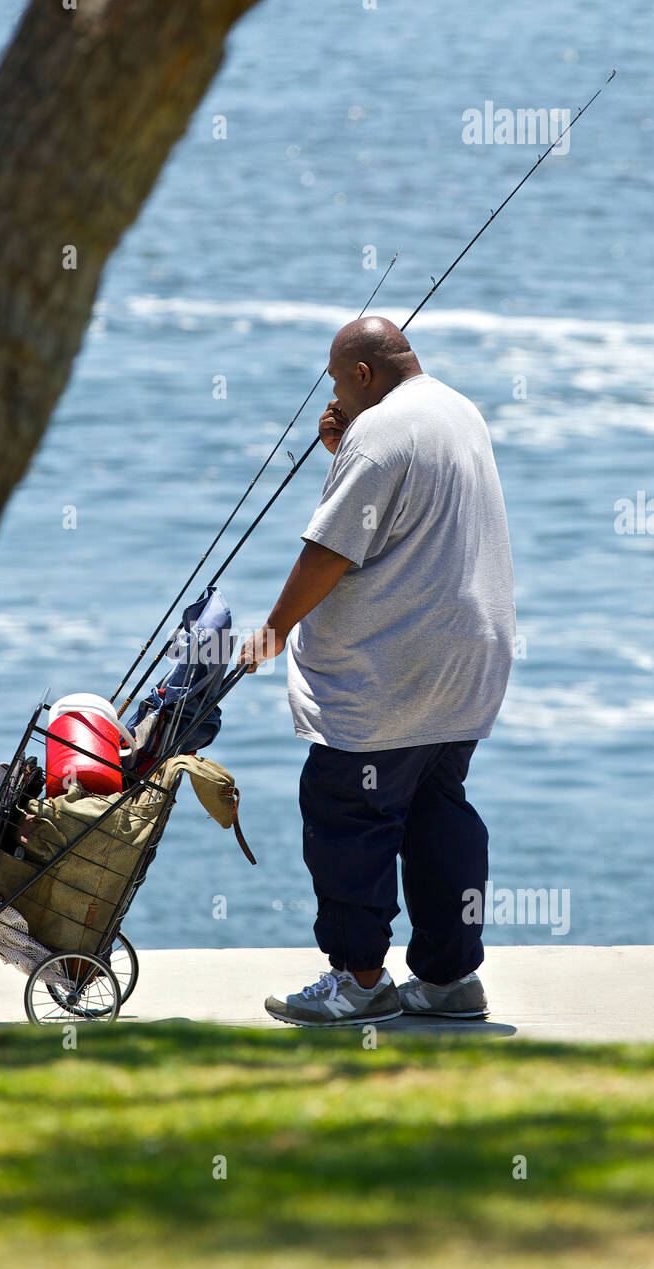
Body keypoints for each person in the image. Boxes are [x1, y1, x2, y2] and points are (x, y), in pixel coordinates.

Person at [236, 316, 515, 1026]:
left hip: (389, 672)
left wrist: (274, 631)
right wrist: (343, 449)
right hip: (467, 662)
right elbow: (399, 512)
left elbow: (330, 549)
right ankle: (451, 981)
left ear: (362, 374)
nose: (333, 395)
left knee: (349, 819)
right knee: (436, 813)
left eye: (336, 381)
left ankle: (359, 983)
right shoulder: (459, 409)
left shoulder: (381, 431)